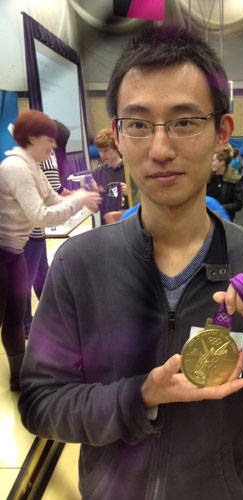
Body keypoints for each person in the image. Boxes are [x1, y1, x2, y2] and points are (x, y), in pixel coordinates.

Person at [19, 26, 243, 500]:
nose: (160, 149)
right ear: (118, 132)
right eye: (138, 124)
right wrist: (139, 396)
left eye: (184, 122)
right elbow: (40, 402)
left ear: (221, 133)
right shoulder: (79, 265)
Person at [0, 109, 101, 391]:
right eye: (50, 140)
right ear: (32, 139)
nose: (54, 147)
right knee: (4, 316)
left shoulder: (32, 165)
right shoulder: (16, 168)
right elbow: (41, 215)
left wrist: (81, 198)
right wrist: (79, 200)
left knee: (14, 317)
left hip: (14, 252)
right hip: (3, 252)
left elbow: (54, 199)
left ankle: (18, 377)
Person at [23, 120, 73, 338]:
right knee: (27, 278)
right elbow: (54, 194)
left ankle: (48, 318)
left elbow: (57, 189)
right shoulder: (48, 156)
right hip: (26, 229)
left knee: (41, 274)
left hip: (29, 227)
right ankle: (26, 323)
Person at [92, 128, 128, 224]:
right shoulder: (97, 173)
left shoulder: (130, 170)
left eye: (106, 150)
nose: (102, 155)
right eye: (100, 151)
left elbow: (143, 203)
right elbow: (95, 209)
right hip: (106, 226)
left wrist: (132, 192)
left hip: (127, 224)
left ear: (116, 148)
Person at [207, 147, 243, 221]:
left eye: (213, 161)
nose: (211, 163)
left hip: (224, 221)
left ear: (222, 162)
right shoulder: (207, 177)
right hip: (207, 219)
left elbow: (238, 204)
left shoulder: (233, 179)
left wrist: (219, 208)